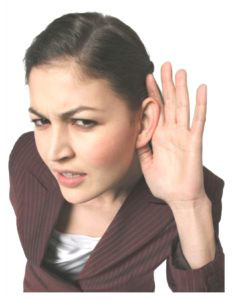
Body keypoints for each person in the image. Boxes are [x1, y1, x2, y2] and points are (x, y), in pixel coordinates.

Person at [8, 12, 225, 292]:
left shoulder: (186, 191)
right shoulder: (26, 158)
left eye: (83, 122)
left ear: (143, 121)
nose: (54, 152)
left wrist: (188, 205)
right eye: (42, 121)